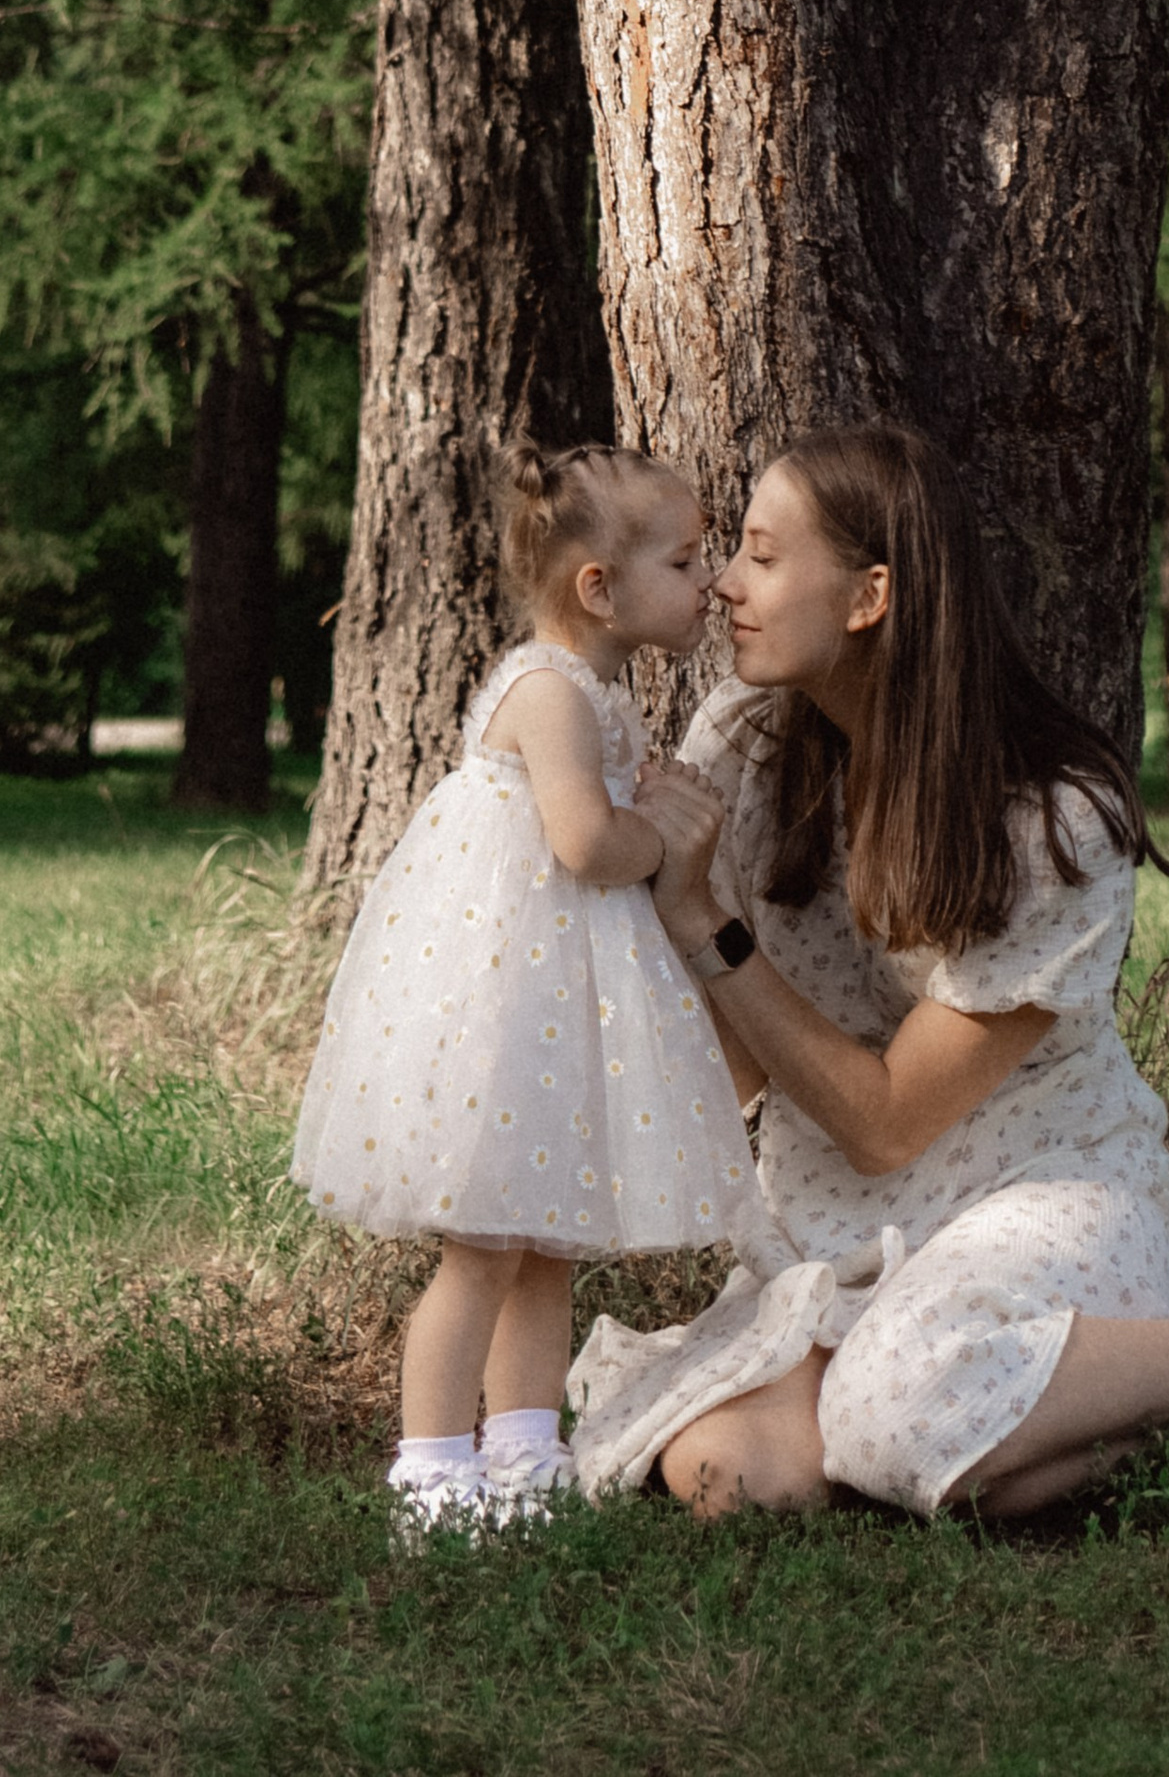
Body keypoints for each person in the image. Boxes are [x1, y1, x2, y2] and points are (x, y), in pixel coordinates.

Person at [567, 419, 1169, 1518]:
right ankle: (1068, 1408)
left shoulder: (1055, 820)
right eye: (731, 552)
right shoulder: (744, 747)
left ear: (871, 596)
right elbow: (745, 1077)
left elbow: (886, 1123)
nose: (726, 582)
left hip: (1032, 1190)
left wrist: (704, 924)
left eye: (765, 557)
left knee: (899, 1424)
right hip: (828, 1221)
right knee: (737, 1484)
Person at [292, 444, 757, 1537]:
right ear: (599, 586)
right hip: (508, 1012)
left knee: (547, 1242)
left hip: (560, 1003)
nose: (711, 583)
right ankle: (433, 1469)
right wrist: (667, 837)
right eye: (688, 562)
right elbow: (586, 844)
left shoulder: (594, 686)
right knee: (483, 1252)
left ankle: (525, 1453)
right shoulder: (549, 689)